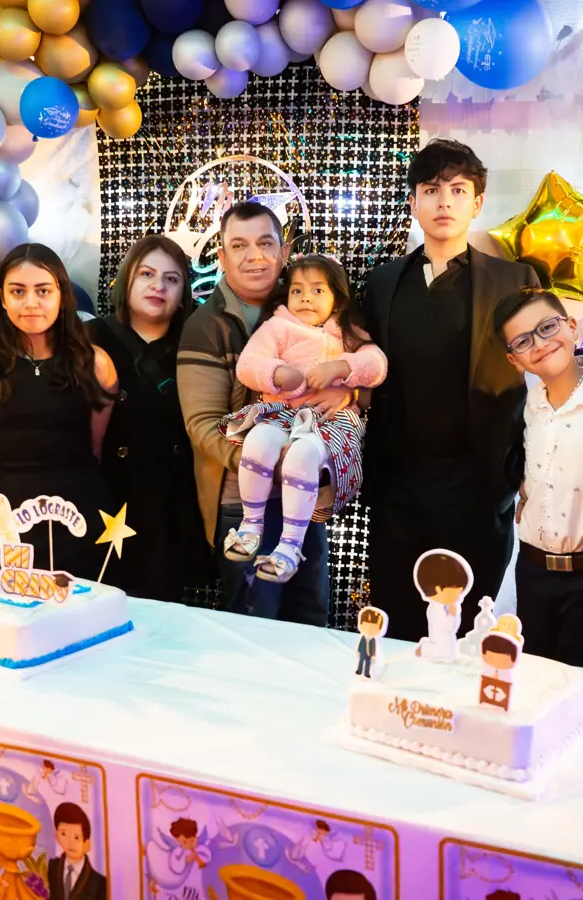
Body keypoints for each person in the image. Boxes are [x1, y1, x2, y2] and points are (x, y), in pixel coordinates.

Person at [362, 139, 540, 641]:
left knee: (469, 632)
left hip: (479, 487)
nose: (444, 202)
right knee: (396, 626)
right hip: (398, 489)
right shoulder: (381, 284)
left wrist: (521, 475)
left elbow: (543, 378)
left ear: (477, 203)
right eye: (431, 189)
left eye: (458, 190)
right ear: (413, 201)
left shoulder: (514, 281)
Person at [178, 202, 353, 623]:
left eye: (265, 243)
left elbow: (361, 364)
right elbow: (203, 426)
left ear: (283, 251)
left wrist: (349, 394)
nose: (254, 256)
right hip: (243, 503)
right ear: (222, 257)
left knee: (310, 619)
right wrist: (272, 464)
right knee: (256, 626)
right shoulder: (207, 326)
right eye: (239, 245)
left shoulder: (310, 308)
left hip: (303, 498)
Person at [221, 254, 388, 582]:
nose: (305, 298)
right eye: (297, 290)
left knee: (301, 456)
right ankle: (251, 525)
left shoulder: (347, 330)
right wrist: (277, 373)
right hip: (283, 414)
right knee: (258, 440)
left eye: (317, 290)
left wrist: (343, 367)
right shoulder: (278, 326)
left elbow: (377, 364)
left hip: (331, 421)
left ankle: (290, 545)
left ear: (338, 298)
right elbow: (248, 364)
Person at [0, 243, 118, 581]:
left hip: (81, 514)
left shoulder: (96, 363)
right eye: (18, 291)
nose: (31, 303)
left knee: (82, 608)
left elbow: (95, 446)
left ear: (62, 296)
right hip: (7, 522)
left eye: (43, 291)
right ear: (2, 298)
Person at [496, 288, 583, 671]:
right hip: (533, 572)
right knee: (534, 679)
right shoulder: (530, 406)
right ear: (513, 359)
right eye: (523, 341)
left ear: (571, 326)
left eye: (547, 327)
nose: (540, 344)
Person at [86, 235, 213, 601]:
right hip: (106, 503)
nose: (159, 286)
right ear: (126, 279)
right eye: (147, 274)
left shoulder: (197, 344)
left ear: (183, 293)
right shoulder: (89, 339)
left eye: (171, 279)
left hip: (173, 510)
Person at [413, 550, 472, 659]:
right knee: (442, 652)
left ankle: (426, 646)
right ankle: (423, 648)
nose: (459, 597)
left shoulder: (447, 606)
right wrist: (452, 613)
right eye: (456, 593)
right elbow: (449, 626)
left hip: (447, 641)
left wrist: (454, 612)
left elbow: (454, 626)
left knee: (448, 652)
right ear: (439, 590)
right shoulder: (436, 609)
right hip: (440, 641)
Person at [48, 802, 106, 900]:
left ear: (86, 844)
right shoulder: (51, 867)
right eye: (64, 834)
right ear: (57, 835)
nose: (70, 842)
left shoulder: (99, 883)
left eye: (76, 837)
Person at [354, 606, 387, 678]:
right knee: (361, 661)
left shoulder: (373, 640)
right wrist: (358, 651)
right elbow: (361, 644)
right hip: (363, 652)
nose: (369, 629)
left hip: (369, 654)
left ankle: (367, 673)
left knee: (368, 663)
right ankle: (359, 670)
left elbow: (374, 647)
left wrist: (374, 655)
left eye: (374, 628)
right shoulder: (363, 637)